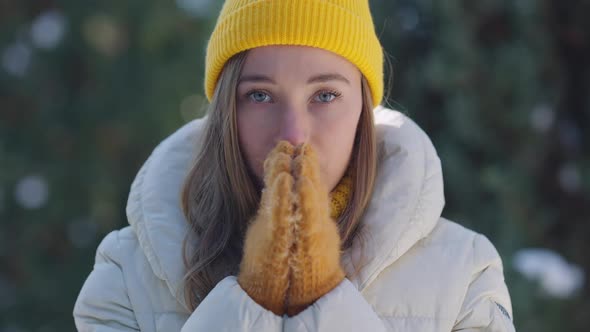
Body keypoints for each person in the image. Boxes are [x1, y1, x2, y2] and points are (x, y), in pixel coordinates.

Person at [73, 1, 515, 331]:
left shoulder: (465, 274)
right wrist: (252, 302)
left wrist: (322, 298)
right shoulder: (127, 273)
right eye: (260, 96)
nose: (293, 134)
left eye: (325, 95)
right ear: (227, 110)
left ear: (363, 106)